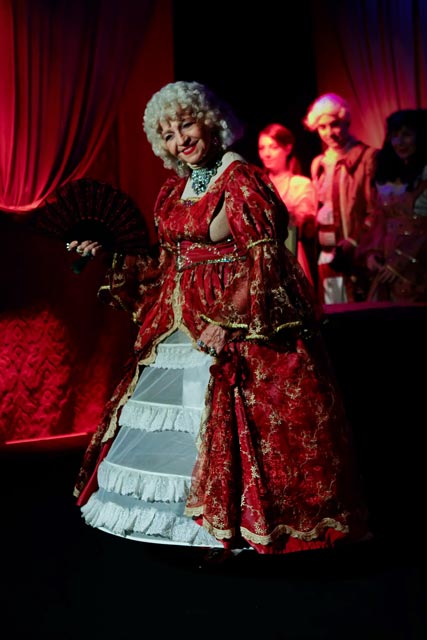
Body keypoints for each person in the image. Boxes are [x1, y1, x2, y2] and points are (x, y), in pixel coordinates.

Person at [70, 80, 370, 558]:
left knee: (233, 419)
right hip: (179, 320)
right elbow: (167, 263)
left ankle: (232, 527)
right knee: (186, 423)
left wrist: (230, 317)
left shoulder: (241, 180)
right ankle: (189, 525)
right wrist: (109, 251)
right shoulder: (173, 189)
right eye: (168, 134)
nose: (180, 140)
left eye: (186, 125)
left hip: (237, 319)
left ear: (210, 122)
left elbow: (266, 258)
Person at [303, 92, 378, 305]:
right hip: (328, 258)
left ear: (346, 121)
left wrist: (354, 241)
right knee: (335, 312)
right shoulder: (318, 163)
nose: (329, 133)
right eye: (322, 127)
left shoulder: (367, 157)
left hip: (359, 254)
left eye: (334, 124)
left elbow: (376, 210)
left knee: (362, 311)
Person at [356, 108, 427, 302]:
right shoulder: (388, 176)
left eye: (406, 135)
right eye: (395, 135)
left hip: (419, 266)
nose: (399, 142)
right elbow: (380, 222)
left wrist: (404, 259)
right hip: (388, 267)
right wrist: (373, 253)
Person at [258, 123, 317, 287]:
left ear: (287, 148)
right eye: (262, 148)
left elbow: (303, 220)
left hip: (291, 252)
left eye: (273, 147)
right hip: (263, 258)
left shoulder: (301, 184)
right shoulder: (256, 186)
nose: (267, 154)